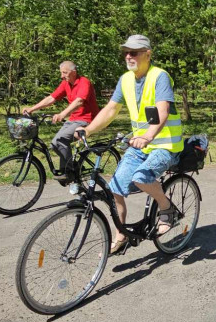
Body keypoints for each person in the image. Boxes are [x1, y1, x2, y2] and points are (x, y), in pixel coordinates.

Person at [77, 35, 182, 254]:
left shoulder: (159, 76)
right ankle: (121, 234)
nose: (128, 56)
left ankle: (167, 209)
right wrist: (88, 129)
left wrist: (149, 136)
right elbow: (110, 109)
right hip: (139, 146)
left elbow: (162, 112)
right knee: (115, 186)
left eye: (134, 52)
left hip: (165, 146)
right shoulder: (125, 79)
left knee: (141, 178)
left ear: (148, 54)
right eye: (126, 52)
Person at [22, 60, 99, 181]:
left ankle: (70, 171)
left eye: (65, 72)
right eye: (61, 73)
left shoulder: (84, 82)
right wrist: (32, 109)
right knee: (54, 144)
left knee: (60, 141)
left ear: (73, 72)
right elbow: (51, 98)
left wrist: (62, 114)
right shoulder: (65, 83)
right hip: (73, 119)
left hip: (86, 120)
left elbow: (79, 101)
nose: (62, 76)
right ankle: (72, 168)